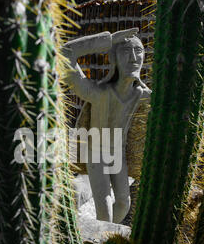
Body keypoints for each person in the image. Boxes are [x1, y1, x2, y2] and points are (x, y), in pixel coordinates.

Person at [63, 28, 151, 224]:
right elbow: (65, 54)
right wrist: (109, 40)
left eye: (138, 51)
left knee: (123, 203)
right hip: (96, 153)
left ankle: (104, 241)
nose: (134, 58)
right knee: (105, 210)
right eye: (126, 52)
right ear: (114, 60)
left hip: (118, 153)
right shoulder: (98, 93)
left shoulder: (141, 95)